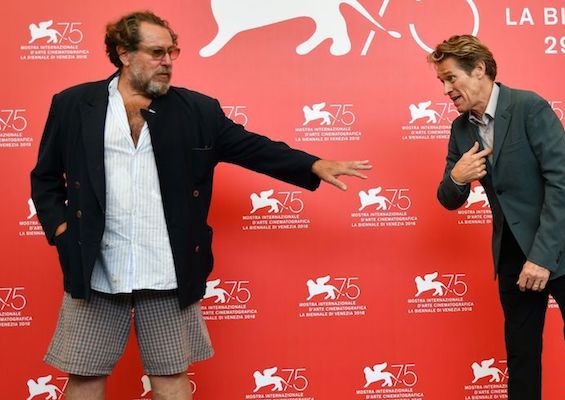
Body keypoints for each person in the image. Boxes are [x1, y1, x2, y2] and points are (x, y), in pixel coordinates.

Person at [30, 11, 370, 400]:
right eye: (156, 52)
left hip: (169, 269)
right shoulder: (74, 105)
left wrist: (312, 164)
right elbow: (45, 177)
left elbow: (254, 148)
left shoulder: (198, 110)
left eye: (172, 52)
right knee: (86, 378)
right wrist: (61, 230)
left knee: (171, 379)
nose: (168, 61)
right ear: (123, 54)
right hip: (96, 268)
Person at [429, 35, 565, 399]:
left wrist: (542, 259)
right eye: (441, 81)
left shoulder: (529, 106)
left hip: (563, 246)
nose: (445, 90)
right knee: (521, 355)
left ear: (479, 70)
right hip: (513, 254)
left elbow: (562, 187)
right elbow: (448, 199)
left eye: (451, 78)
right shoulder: (460, 129)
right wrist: (457, 177)